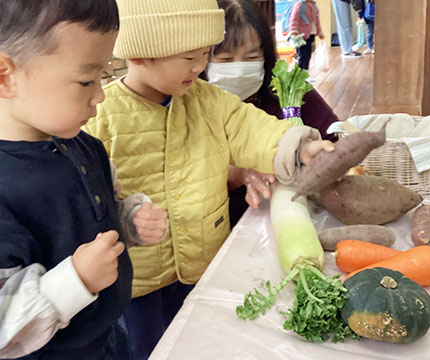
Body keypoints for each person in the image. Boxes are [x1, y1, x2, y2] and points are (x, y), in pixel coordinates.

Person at [83, 1, 335, 359]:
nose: (201, 67)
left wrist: (300, 147)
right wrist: (123, 216)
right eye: (189, 58)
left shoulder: (208, 101)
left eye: (204, 54)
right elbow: (84, 194)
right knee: (146, 349)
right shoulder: (101, 117)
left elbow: (253, 129)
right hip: (136, 281)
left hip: (202, 263)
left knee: (202, 341)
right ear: (141, 55)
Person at [0, 0, 167, 359]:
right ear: (5, 75)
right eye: (87, 80)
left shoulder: (84, 146)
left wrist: (129, 221)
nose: (101, 94)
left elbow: (97, 216)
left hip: (106, 339)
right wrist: (76, 281)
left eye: (104, 75)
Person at [205, 0, 339, 227]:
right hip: (224, 227)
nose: (238, 69)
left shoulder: (287, 89)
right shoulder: (194, 104)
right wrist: (236, 174)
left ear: (266, 57)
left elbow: (334, 137)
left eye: (251, 58)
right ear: (202, 59)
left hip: (303, 215)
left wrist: (312, 155)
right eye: (226, 60)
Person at [288, 0, 324, 70]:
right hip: (301, 35)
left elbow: (317, 21)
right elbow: (294, 19)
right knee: (302, 55)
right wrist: (293, 31)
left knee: (308, 54)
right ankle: (300, 73)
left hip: (311, 34)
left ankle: (304, 72)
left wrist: (319, 32)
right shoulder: (299, 5)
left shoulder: (314, 5)